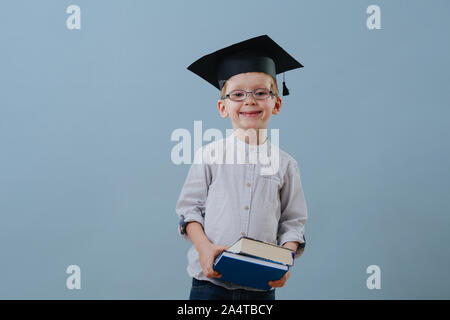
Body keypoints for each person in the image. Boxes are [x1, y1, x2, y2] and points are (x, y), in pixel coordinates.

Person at [176, 35, 308, 300]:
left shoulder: (286, 164)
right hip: (209, 283)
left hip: (261, 286)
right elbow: (189, 211)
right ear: (223, 107)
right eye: (237, 94)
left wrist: (286, 260)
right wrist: (203, 249)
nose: (249, 101)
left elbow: (293, 222)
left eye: (260, 93)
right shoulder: (209, 155)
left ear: (277, 103)